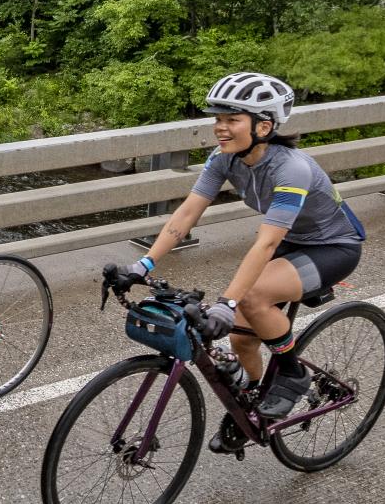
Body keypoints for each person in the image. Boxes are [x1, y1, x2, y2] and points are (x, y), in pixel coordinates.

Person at [111, 71, 366, 453]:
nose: (220, 128)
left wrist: (228, 303)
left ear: (263, 126)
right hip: (291, 242)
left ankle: (293, 374)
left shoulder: (291, 169)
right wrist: (142, 266)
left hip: (332, 246)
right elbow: (186, 215)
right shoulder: (225, 158)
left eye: (232, 120)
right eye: (218, 119)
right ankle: (255, 407)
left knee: (251, 297)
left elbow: (264, 245)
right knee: (241, 340)